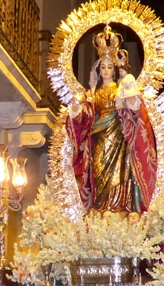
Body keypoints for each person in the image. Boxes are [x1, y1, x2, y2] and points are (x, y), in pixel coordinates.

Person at [66, 24, 158, 213]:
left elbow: (134, 112)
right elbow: (86, 116)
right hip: (98, 138)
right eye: (103, 67)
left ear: (114, 69)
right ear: (98, 70)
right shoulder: (91, 94)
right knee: (99, 171)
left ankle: (119, 206)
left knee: (121, 172)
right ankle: (100, 207)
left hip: (118, 136)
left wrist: (130, 100)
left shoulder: (122, 90)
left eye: (110, 66)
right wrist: (76, 112)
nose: (106, 70)